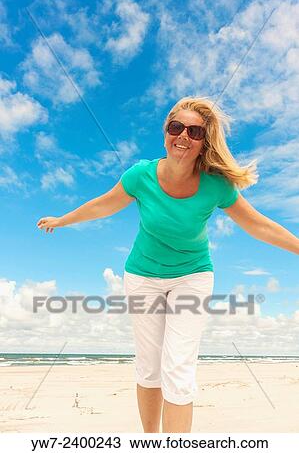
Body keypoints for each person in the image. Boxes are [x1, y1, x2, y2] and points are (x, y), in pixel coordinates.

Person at [37, 96, 299, 433]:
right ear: (165, 133)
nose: (183, 136)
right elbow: (102, 206)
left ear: (204, 144)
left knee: (177, 369)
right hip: (142, 276)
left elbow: (259, 225)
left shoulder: (216, 186)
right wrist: (62, 219)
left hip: (192, 276)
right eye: (177, 127)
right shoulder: (140, 176)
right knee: (149, 367)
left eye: (195, 132)